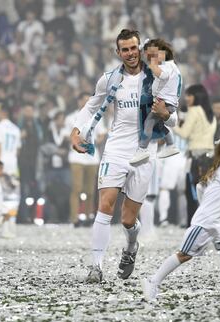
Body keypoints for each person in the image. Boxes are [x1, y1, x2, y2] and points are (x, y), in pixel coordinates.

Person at [70, 29, 177, 283]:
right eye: (125, 49)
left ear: (140, 49)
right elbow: (91, 106)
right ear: (118, 52)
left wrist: (165, 114)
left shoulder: (158, 78)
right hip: (116, 148)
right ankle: (95, 267)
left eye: (133, 48)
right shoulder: (109, 79)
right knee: (105, 205)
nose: (130, 53)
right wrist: (76, 132)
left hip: (144, 152)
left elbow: (174, 117)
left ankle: (131, 247)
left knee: (128, 219)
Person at [141, 135, 220, 301]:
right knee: (184, 255)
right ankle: (153, 281)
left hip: (218, 222)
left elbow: (200, 187)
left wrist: (207, 205)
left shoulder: (219, 168)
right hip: (207, 222)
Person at [130, 38, 181, 165]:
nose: (150, 59)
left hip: (164, 103)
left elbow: (162, 75)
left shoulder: (167, 66)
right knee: (158, 125)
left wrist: (153, 64)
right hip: (164, 102)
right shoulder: (167, 66)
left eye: (154, 55)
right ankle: (171, 145)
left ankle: (142, 149)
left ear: (162, 53)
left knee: (149, 122)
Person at [173, 84, 217, 224]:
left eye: (189, 95)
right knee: (207, 195)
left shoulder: (195, 110)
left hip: (196, 157)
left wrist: (171, 122)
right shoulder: (210, 113)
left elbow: (184, 133)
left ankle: (193, 226)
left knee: (192, 194)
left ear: (197, 96)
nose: (186, 98)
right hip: (210, 156)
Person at [65, 92, 107, 227]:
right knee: (76, 188)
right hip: (76, 157)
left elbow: (101, 134)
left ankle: (89, 216)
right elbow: (67, 135)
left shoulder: (96, 117)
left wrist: (93, 142)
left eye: (89, 100)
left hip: (92, 158)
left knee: (90, 190)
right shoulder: (71, 118)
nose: (86, 103)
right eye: (84, 100)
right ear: (78, 102)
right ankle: (74, 218)